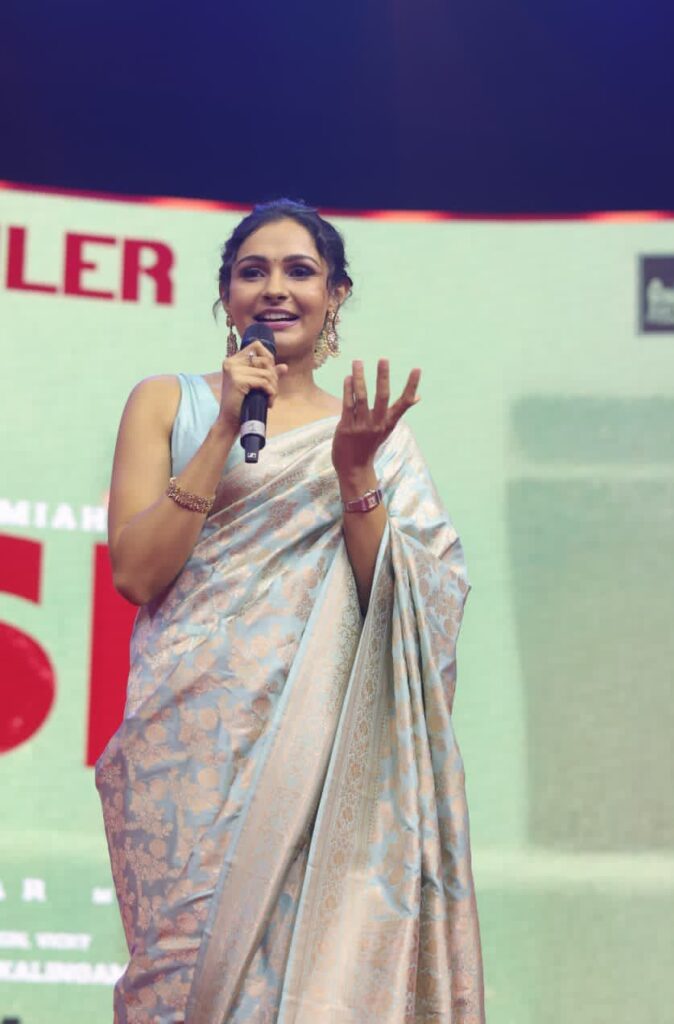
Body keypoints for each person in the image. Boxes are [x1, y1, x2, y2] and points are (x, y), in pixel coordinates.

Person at [96, 199, 485, 1023]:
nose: (275, 288)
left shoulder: (369, 436)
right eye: (253, 271)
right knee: (184, 980)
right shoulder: (166, 402)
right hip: (187, 748)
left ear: (335, 294)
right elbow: (135, 574)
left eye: (299, 271)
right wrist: (222, 431)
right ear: (226, 295)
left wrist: (355, 472)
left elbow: (409, 605)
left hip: (323, 754)